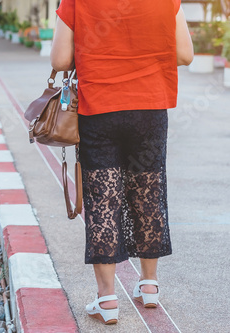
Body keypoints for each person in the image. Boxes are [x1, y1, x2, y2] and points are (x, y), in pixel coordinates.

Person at [50, 0, 193, 325]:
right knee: (147, 194)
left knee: (103, 200)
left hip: (98, 109)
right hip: (149, 109)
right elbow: (185, 55)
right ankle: (150, 286)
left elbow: (60, 60)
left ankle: (107, 299)